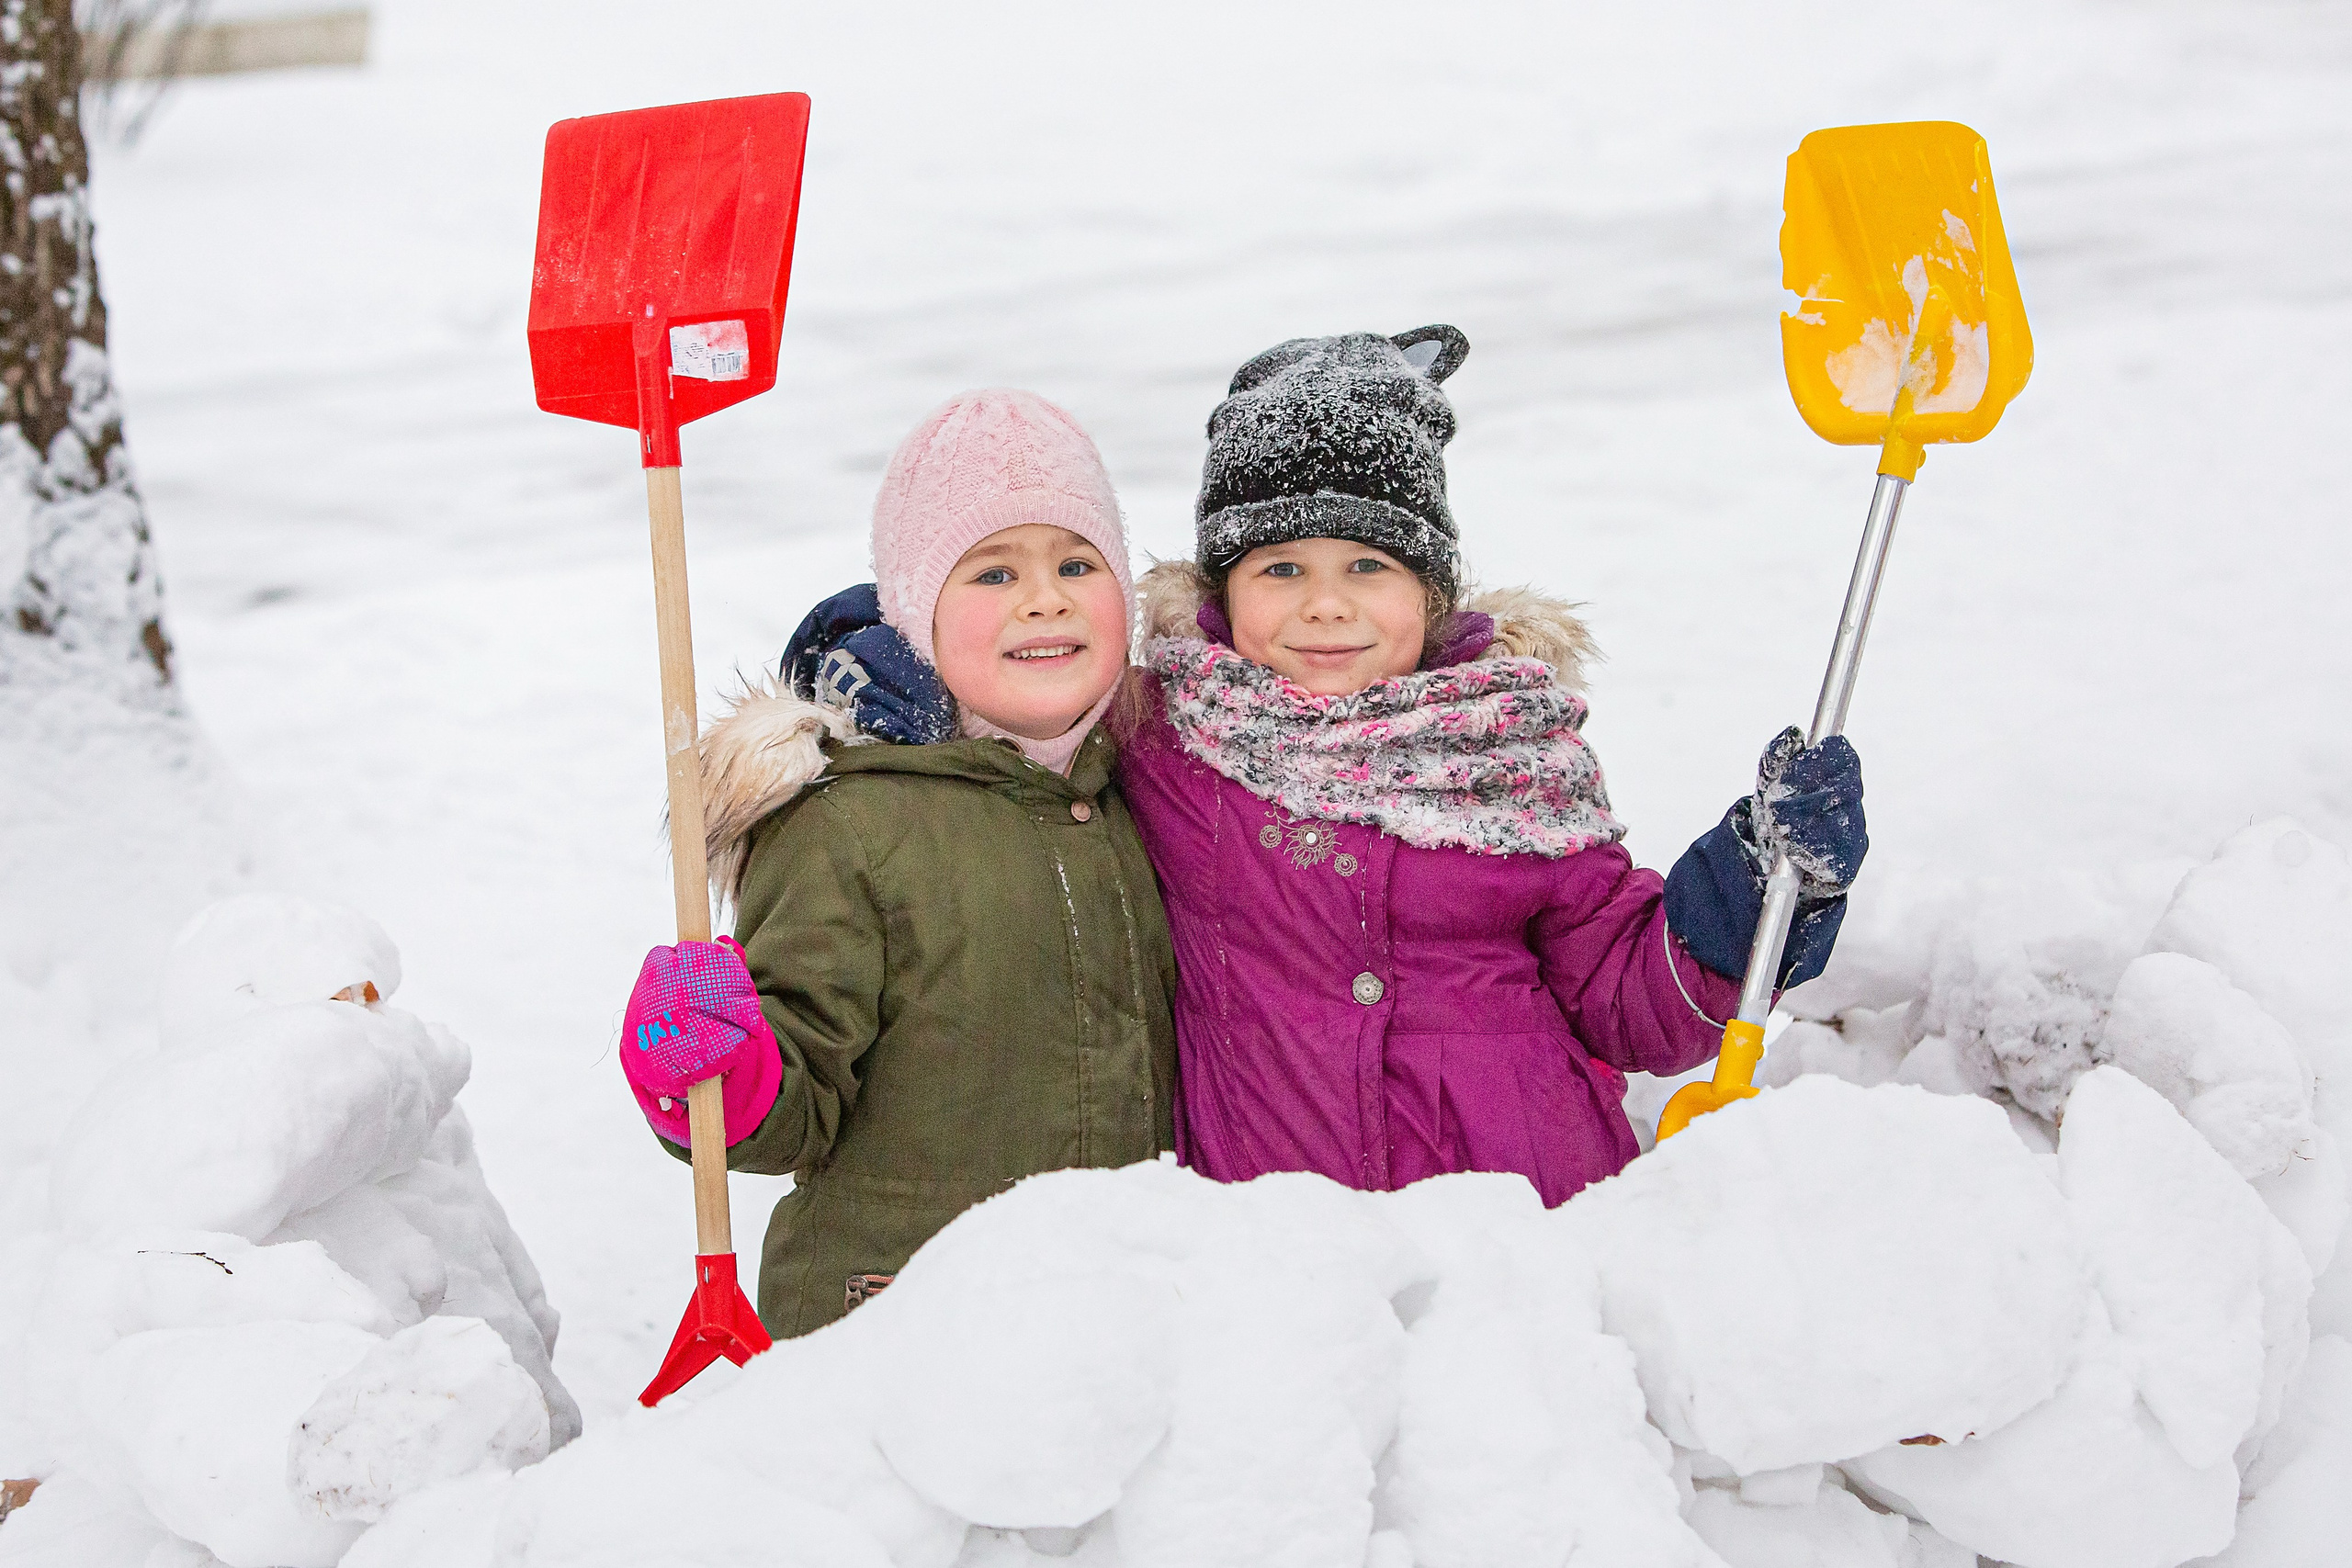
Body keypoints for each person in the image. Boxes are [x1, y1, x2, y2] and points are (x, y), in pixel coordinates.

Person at [784, 325, 1867, 1207]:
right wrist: (879, 663)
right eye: (1281, 567)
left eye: (1368, 565)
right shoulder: (1170, 734)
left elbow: (1634, 1003)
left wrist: (1754, 885)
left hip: (1531, 1228)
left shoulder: (1509, 756)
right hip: (1281, 1254)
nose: (1326, 603)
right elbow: (1019, 696)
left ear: (1434, 591)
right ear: (1220, 594)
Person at [616, 389, 1178, 1338]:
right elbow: (794, 1100)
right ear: (916, 613)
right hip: (896, 1330)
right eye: (992, 574)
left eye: (1077, 562)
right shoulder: (851, 822)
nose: (1044, 597)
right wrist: (716, 1074)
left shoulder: (1156, 790)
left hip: (1129, 1312)